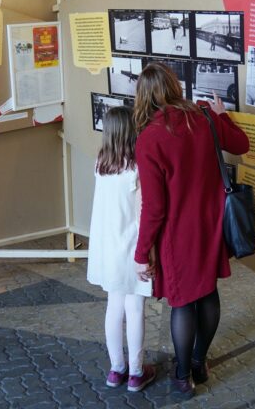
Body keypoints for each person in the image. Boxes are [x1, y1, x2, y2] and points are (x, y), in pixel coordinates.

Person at [133, 63, 249, 398]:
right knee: (208, 293)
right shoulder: (204, 117)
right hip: (212, 224)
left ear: (142, 96)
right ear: (174, 86)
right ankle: (198, 362)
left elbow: (154, 208)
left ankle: (183, 377)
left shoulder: (149, 138)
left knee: (184, 303)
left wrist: (142, 254)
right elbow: (242, 145)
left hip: (177, 233)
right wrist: (222, 115)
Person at [86, 106, 156, 392]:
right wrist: (147, 253)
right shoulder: (138, 168)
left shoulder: (100, 163)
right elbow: (142, 214)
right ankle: (137, 373)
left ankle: (116, 369)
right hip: (132, 248)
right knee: (135, 307)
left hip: (107, 249)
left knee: (113, 307)